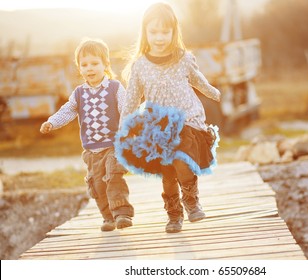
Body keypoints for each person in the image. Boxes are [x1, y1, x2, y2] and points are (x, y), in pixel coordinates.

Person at [115, 2, 220, 233]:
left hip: (186, 120)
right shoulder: (140, 66)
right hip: (158, 127)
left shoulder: (183, 58)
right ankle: (174, 216)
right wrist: (125, 128)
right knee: (168, 172)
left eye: (165, 31)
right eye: (154, 32)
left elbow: (197, 79)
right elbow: (132, 100)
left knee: (181, 159)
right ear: (145, 33)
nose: (160, 37)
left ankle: (191, 200)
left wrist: (213, 92)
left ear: (174, 31)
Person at [40, 38, 134, 232]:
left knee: (113, 177)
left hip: (114, 146)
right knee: (98, 185)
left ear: (105, 64)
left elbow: (127, 110)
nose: (89, 68)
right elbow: (67, 111)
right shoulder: (79, 93)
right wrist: (52, 122)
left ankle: (122, 213)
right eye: (84, 64)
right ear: (79, 68)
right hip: (92, 151)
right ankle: (108, 217)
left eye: (94, 63)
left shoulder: (115, 88)